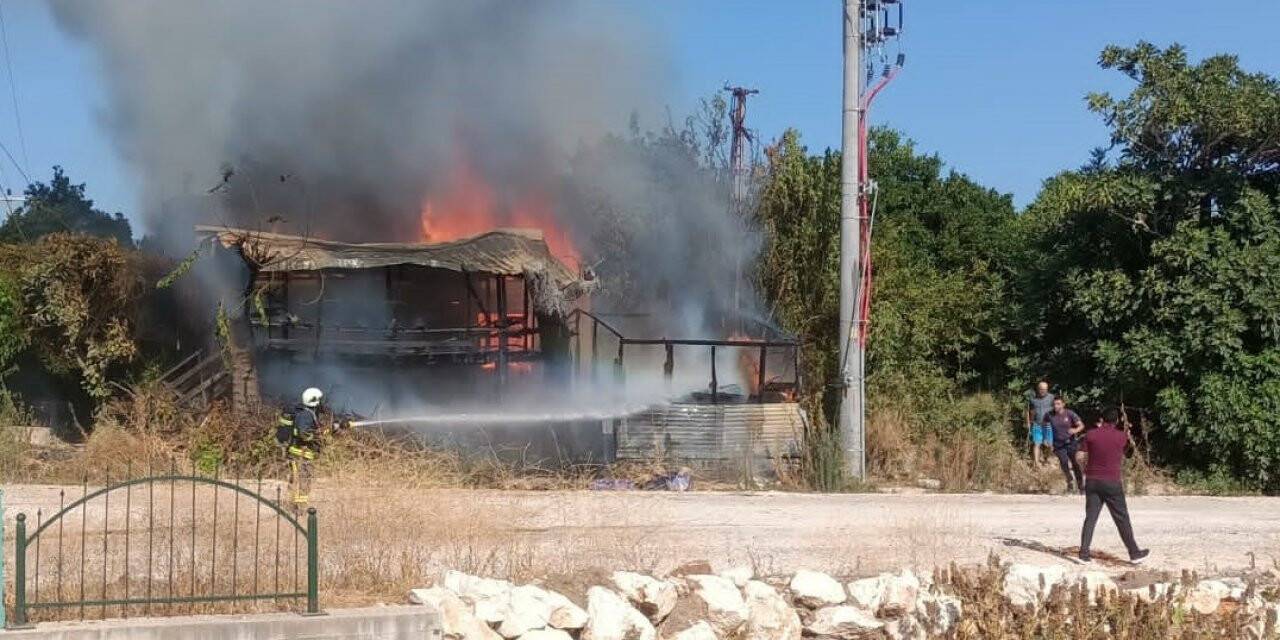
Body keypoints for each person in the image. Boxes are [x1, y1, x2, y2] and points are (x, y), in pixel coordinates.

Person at [1074, 406, 1150, 565]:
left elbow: (1079, 456)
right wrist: (1128, 435)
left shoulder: (1091, 434)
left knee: (1091, 517)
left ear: (1102, 419)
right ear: (1116, 420)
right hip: (1111, 482)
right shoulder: (1120, 436)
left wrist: (1085, 471)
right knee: (1121, 518)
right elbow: (1129, 454)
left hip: (1093, 481)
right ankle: (1134, 553)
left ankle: (1084, 553)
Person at [276, 387, 326, 510]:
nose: (321, 403)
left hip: (300, 454)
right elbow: (303, 433)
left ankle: (296, 505)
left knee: (299, 480)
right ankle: (299, 508)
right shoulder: (306, 415)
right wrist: (318, 435)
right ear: (315, 401)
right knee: (302, 481)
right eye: (320, 400)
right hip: (301, 455)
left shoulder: (308, 413)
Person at [1046, 397, 1085, 493]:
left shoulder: (1070, 413)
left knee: (1075, 464)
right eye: (1054, 404)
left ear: (1063, 404)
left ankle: (1080, 485)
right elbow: (1045, 427)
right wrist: (1046, 439)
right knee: (1063, 462)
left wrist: (1075, 430)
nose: (1056, 406)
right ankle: (1070, 481)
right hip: (1058, 444)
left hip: (1071, 442)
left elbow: (1081, 425)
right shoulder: (1049, 415)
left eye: (1058, 404)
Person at [1025, 381, 1055, 465]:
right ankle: (1036, 463)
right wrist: (1028, 422)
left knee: (1050, 446)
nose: (1043, 391)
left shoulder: (1052, 398)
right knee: (1036, 444)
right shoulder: (1032, 399)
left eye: (1045, 389)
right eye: (1041, 389)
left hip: (1048, 425)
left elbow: (1057, 409)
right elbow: (1028, 411)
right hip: (1037, 424)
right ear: (1038, 389)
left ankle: (1046, 458)